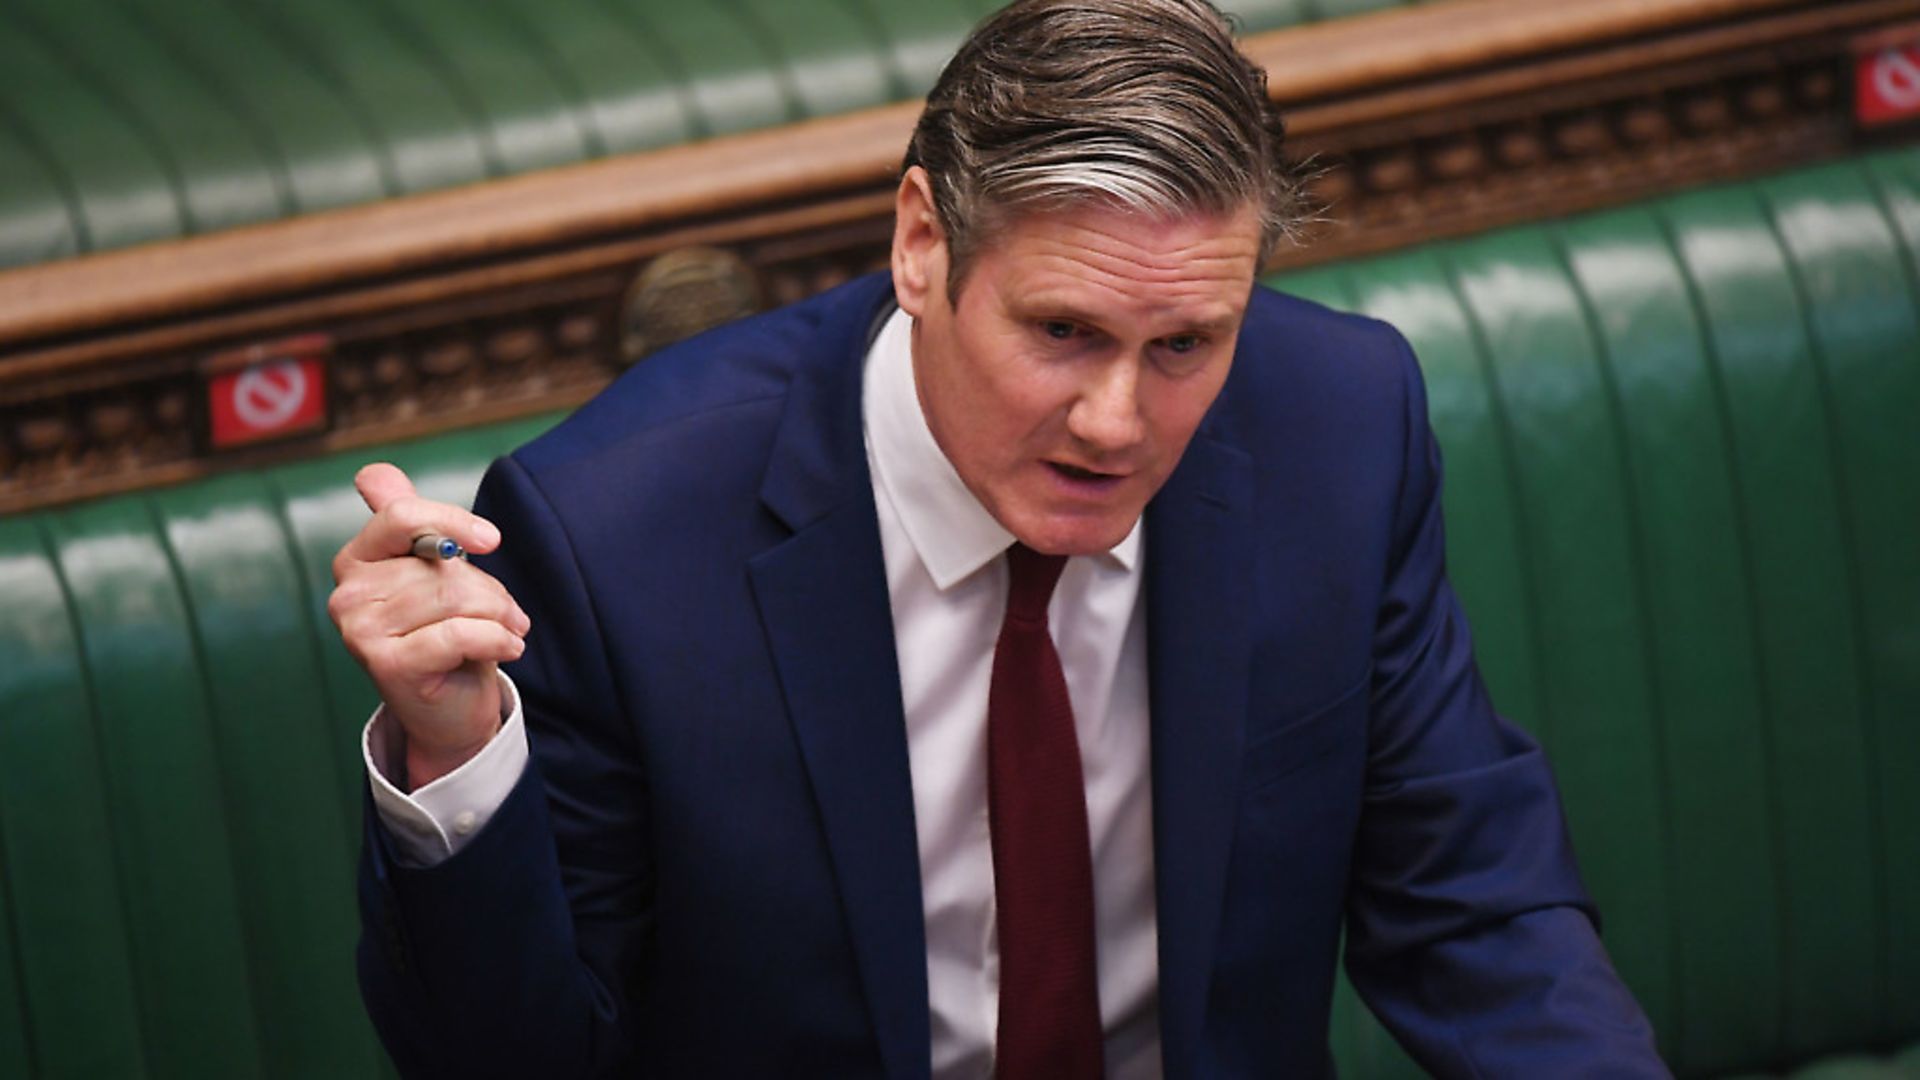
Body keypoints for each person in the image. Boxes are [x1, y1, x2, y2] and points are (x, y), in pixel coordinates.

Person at [331, 1, 1668, 1076]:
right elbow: (519, 1056)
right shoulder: (615, 536)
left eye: (1186, 346)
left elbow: (1473, 912)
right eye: (1064, 332)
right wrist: (457, 760)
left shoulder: (1339, 428)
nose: (1119, 421)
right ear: (923, 244)